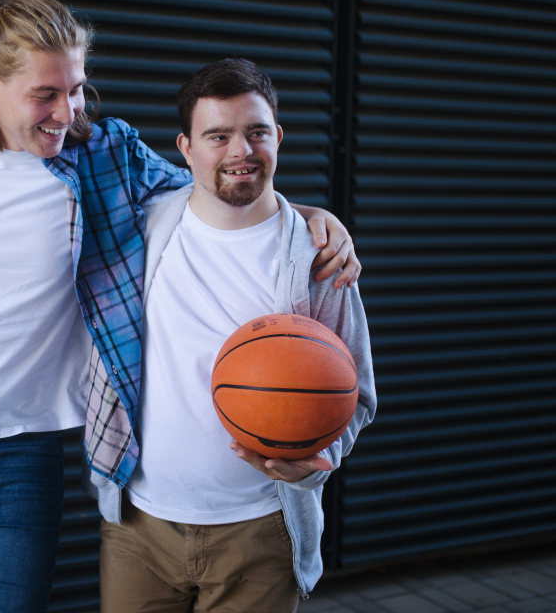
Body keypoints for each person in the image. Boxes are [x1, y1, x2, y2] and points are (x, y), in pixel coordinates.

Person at [0, 0, 360, 613]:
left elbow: (219, 189)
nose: (68, 112)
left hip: (21, 455)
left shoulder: (106, 157)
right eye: (45, 95)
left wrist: (308, 216)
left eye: (77, 90)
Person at [90, 58, 376, 613]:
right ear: (186, 147)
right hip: (138, 527)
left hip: (260, 531)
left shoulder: (317, 259)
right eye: (218, 135)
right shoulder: (142, 230)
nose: (240, 151)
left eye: (256, 132)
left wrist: (318, 459)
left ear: (278, 138)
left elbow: (355, 393)